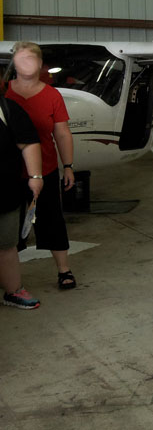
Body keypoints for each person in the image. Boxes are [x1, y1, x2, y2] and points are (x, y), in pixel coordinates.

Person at [6, 41, 77, 290]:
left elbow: (62, 133)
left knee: (51, 219)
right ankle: (11, 279)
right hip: (9, 173)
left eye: (31, 59)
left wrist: (68, 165)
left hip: (44, 169)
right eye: (21, 58)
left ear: (40, 64)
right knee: (8, 227)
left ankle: (63, 269)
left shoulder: (52, 95)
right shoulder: (4, 92)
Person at [0, 95, 43, 309]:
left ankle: (13, 291)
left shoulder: (7, 109)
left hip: (4, 193)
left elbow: (29, 143)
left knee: (7, 245)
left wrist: (36, 176)